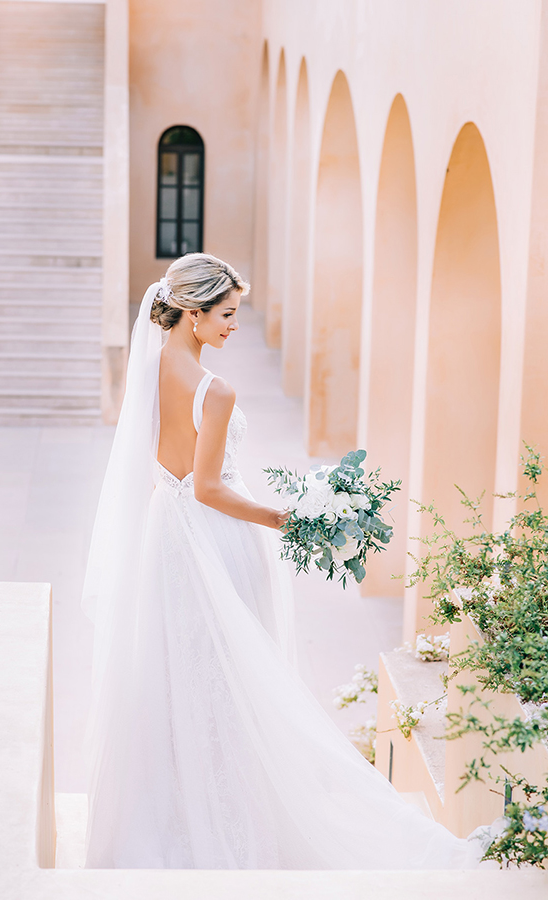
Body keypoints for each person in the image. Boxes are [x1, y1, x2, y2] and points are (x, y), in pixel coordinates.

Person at [82, 252, 486, 869]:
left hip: (166, 535)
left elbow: (166, 470)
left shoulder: (149, 367)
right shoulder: (214, 389)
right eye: (226, 314)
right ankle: (233, 820)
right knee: (233, 677)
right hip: (212, 538)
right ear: (192, 314)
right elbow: (212, 486)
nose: (234, 325)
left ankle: (176, 820)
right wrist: (289, 519)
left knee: (176, 672)